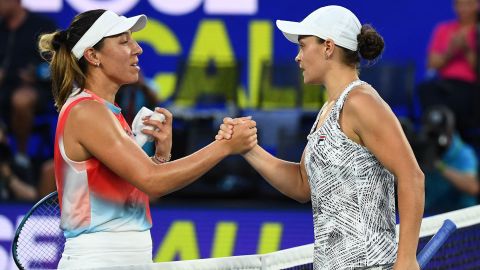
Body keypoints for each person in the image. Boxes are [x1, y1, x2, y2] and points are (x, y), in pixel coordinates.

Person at [38, 9, 257, 268]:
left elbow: (143, 189)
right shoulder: (86, 111)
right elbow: (153, 182)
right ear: (93, 55)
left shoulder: (108, 112)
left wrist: (160, 157)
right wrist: (224, 147)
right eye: (124, 41)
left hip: (129, 257)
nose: (138, 49)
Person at [217, 5, 424, 270]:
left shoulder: (361, 102)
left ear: (328, 47)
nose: (297, 57)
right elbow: (303, 186)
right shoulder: (328, 110)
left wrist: (406, 260)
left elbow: (412, 176)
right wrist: (248, 149)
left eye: (303, 46)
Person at [0, 0, 57, 159]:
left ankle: (21, 156)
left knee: (21, 99)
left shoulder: (42, 26)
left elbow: (56, 64)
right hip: (4, 88)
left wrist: (36, 73)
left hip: (37, 88)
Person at [418, 0, 479, 136]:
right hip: (445, 85)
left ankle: (450, 137)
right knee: (425, 89)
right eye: (459, 4)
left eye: (468, 4)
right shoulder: (444, 29)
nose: (463, 9)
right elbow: (431, 64)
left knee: (459, 100)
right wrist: (450, 51)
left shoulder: (477, 32)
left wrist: (466, 49)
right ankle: (437, 133)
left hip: (470, 86)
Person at [420, 106, 479, 215]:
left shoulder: (464, 153)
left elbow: (472, 187)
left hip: (462, 216)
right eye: (432, 134)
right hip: (432, 215)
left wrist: (439, 165)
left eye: (438, 134)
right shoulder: (424, 149)